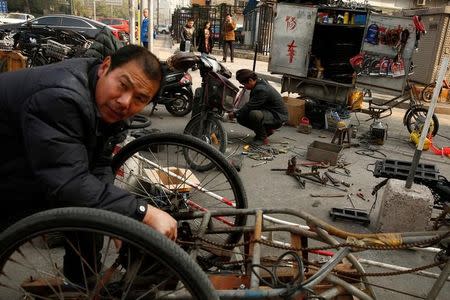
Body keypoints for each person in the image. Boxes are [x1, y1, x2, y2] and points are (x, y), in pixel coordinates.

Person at [0, 45, 177, 281]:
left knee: (90, 208)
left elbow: (98, 164)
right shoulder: (62, 97)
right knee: (68, 195)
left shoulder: (105, 103)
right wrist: (141, 212)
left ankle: (83, 283)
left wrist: (120, 217)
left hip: (21, 149)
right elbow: (70, 182)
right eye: (123, 86)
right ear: (105, 67)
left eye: (140, 98)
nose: (126, 102)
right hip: (9, 158)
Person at [228, 69, 288, 145]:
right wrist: (237, 113)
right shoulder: (259, 84)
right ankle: (265, 131)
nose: (244, 87)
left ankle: (262, 138)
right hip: (270, 113)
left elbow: (250, 106)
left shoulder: (261, 89)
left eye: (244, 84)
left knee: (254, 114)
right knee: (241, 116)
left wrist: (234, 114)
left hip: (278, 117)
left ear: (250, 80)